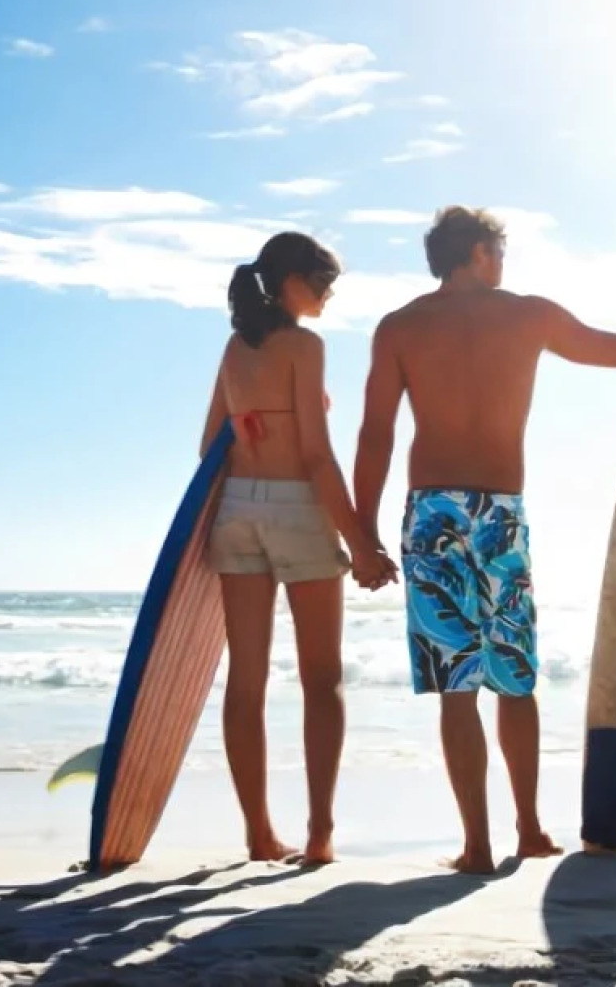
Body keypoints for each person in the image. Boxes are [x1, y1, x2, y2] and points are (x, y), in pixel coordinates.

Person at [351, 206, 616, 873]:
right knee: (513, 678)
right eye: (499, 251)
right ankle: (529, 830)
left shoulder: (400, 327)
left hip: (430, 515)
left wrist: (361, 536)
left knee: (456, 686)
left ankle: (477, 846)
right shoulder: (527, 315)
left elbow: (374, 433)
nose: (503, 263)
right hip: (500, 514)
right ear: (482, 252)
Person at [200, 231, 398, 866]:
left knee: (246, 684)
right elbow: (316, 457)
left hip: (236, 513)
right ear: (288, 282)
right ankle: (318, 836)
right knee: (321, 680)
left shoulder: (234, 349)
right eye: (321, 282)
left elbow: (209, 448)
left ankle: (258, 834)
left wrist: (247, 425)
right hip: (295, 509)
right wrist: (362, 545)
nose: (329, 294)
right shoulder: (305, 347)